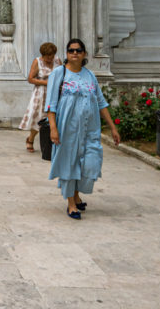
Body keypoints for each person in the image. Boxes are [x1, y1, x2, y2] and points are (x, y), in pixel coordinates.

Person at [46, 38, 121, 218]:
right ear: (67, 53)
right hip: (67, 129)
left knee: (90, 163)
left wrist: (112, 128)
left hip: (90, 128)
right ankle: (71, 203)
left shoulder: (90, 75)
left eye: (79, 50)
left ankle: (77, 194)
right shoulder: (59, 74)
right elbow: (51, 104)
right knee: (69, 163)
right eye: (71, 50)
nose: (75, 53)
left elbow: (101, 103)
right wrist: (53, 128)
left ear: (84, 54)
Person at [19, 42, 61, 152]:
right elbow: (30, 79)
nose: (50, 59)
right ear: (43, 55)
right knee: (39, 118)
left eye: (51, 56)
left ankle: (52, 142)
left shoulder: (57, 61)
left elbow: (63, 74)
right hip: (41, 93)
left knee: (55, 118)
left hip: (55, 93)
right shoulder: (37, 62)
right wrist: (46, 82)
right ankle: (31, 139)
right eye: (47, 57)